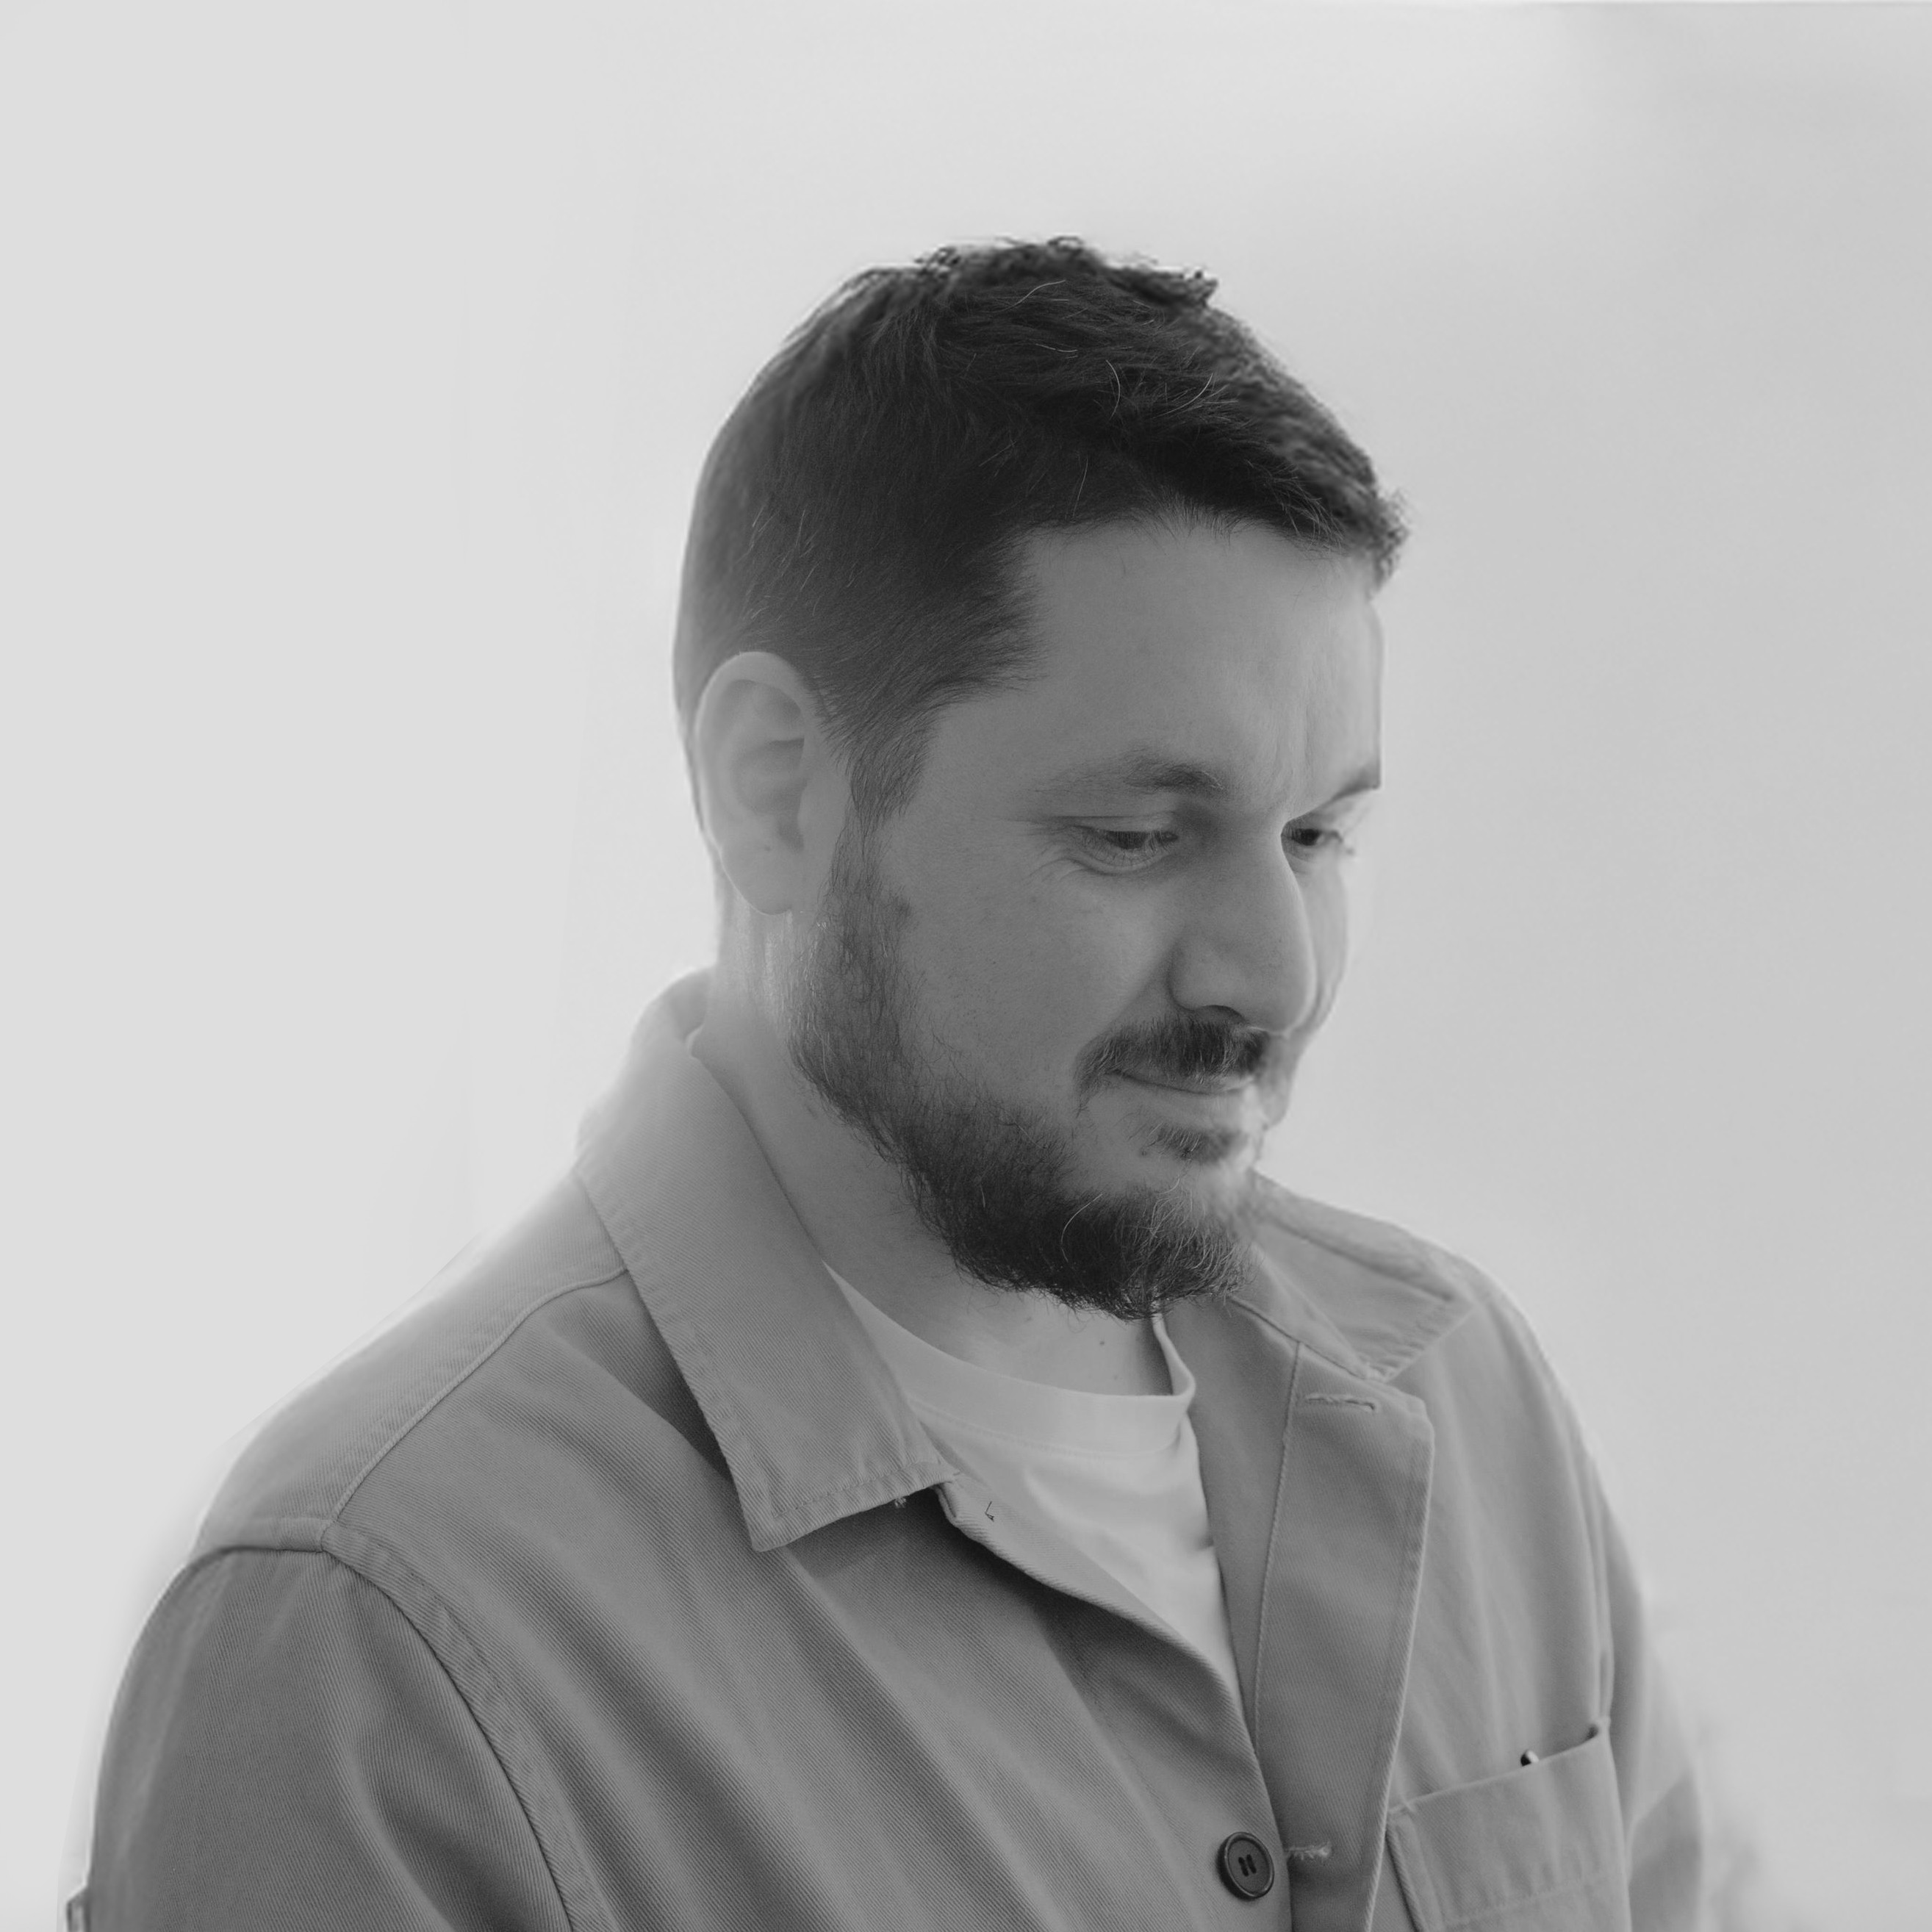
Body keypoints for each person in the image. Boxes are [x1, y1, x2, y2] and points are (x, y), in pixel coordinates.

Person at [77, 238, 1705, 1931]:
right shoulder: (375, 1628)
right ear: (774, 790)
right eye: (1134, 836)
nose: (1276, 976)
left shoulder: (1465, 1394)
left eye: (1316, 835)